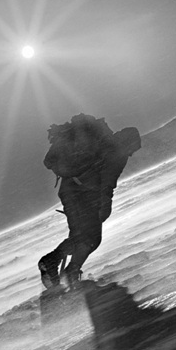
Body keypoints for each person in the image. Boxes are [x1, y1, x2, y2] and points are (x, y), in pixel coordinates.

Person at [38, 115, 141, 288]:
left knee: (83, 236)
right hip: (81, 195)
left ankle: (65, 268)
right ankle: (59, 265)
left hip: (71, 191)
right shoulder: (117, 152)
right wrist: (105, 203)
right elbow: (108, 181)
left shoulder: (103, 144)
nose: (131, 153)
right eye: (133, 148)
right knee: (91, 238)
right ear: (129, 142)